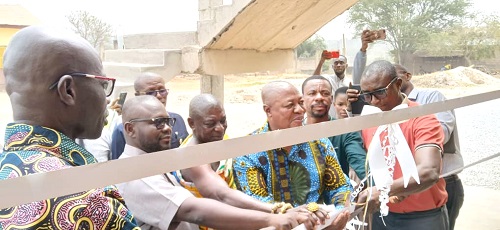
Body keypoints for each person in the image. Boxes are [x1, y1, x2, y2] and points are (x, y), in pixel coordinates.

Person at [0, 26, 139, 228]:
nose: (107, 100)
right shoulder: (88, 199)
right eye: (102, 84)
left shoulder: (8, 169)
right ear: (68, 91)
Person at [117, 95, 319, 230]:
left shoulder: (153, 164)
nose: (168, 128)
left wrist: (278, 210)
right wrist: (274, 218)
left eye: (168, 121)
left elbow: (222, 193)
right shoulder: (136, 175)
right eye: (157, 123)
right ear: (130, 129)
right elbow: (196, 209)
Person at [348, 60, 448, 230]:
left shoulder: (423, 118)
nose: (373, 101)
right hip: (384, 214)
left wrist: (382, 191)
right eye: (367, 95)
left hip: (423, 217)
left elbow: (429, 171)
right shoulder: (371, 120)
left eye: (379, 92)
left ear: (398, 84)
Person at [233, 81, 352, 218]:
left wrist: (340, 212)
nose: (301, 110)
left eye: (301, 103)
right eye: (290, 105)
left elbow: (339, 187)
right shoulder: (248, 152)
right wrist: (303, 216)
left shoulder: (319, 142)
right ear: (268, 111)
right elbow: (258, 203)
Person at [395, 64, 463, 230]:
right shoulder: (389, 107)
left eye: (394, 76)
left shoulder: (431, 96)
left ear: (407, 76)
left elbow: (442, 133)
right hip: (409, 186)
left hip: (443, 179)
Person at [301, 75, 367, 180]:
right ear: (302, 99)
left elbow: (361, 164)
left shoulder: (345, 131)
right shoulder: (293, 133)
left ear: (331, 99)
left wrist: (377, 187)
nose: (319, 97)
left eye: (325, 93)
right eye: (312, 93)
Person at [110, 72, 188, 160]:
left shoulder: (176, 119)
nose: (158, 95)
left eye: (162, 91)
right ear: (138, 95)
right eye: (151, 92)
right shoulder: (123, 130)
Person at [172, 94, 235, 199]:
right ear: (192, 123)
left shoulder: (221, 140)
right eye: (210, 123)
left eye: (223, 121)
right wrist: (270, 210)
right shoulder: (192, 157)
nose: (220, 128)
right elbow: (223, 195)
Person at [313, 30, 373, 117]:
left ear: (346, 66)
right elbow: (314, 79)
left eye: (341, 63)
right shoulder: (327, 80)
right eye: (336, 63)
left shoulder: (350, 84)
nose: (338, 65)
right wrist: (321, 61)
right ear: (333, 66)